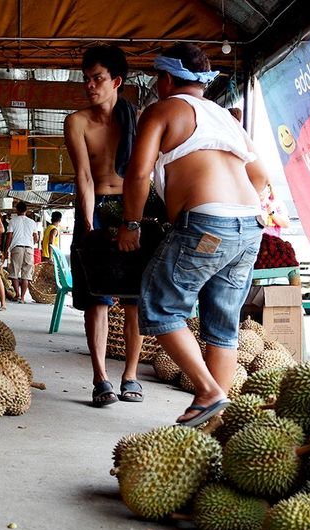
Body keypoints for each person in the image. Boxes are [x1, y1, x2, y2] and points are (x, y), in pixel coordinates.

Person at [117, 43, 269, 427]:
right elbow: (260, 176)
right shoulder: (226, 118)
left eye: (157, 79)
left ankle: (207, 391)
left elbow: (138, 174)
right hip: (249, 226)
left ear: (166, 79)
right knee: (223, 325)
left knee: (159, 304)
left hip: (206, 224)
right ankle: (213, 423)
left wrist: (131, 224)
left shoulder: (163, 110)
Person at [64, 45, 145, 406]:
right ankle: (101, 379)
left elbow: (147, 173)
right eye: (86, 79)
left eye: (98, 79)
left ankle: (130, 376)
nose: (90, 86)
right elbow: (83, 176)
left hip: (131, 207)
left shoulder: (139, 120)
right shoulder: (77, 122)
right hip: (95, 207)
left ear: (116, 81)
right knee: (96, 299)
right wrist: (87, 225)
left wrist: (137, 219)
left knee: (133, 300)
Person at [5, 200, 39, 303]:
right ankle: (23, 298)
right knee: (26, 274)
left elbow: (9, 237)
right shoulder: (32, 222)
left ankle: (18, 295)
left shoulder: (13, 221)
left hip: (17, 248)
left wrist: (6, 249)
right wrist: (30, 242)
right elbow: (36, 238)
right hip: (29, 248)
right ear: (26, 210)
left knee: (14, 272)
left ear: (17, 209)